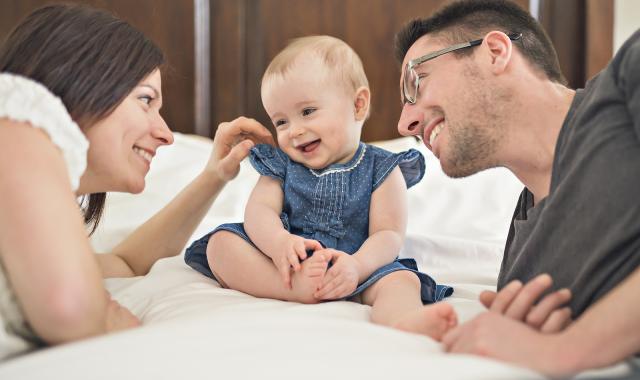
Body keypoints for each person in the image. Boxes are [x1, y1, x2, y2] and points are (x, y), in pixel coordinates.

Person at [0, 4, 273, 360]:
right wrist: (107, 314)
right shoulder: (17, 119)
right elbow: (70, 312)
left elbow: (125, 264)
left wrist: (214, 177)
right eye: (145, 100)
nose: (165, 134)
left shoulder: (29, 231)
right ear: (80, 79)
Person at [395, 0, 640, 376]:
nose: (404, 122)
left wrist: (562, 350)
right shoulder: (518, 269)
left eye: (417, 80)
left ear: (494, 52)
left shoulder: (626, 78)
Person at [184, 35, 457, 340]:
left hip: (360, 270)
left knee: (402, 281)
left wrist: (356, 267)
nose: (295, 131)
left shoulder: (382, 168)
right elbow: (259, 211)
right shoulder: (282, 166)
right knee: (220, 244)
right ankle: (295, 288)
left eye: (308, 111)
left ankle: (405, 320)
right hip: (288, 265)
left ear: (357, 105)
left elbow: (388, 234)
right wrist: (278, 244)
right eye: (281, 122)